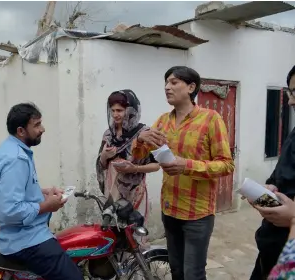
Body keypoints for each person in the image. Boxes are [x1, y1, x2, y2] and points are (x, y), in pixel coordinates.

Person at [131, 66, 235, 280]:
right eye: (166, 83)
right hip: (170, 209)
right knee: (177, 270)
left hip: (198, 214)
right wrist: (140, 140)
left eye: (174, 82)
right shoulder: (162, 121)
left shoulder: (210, 119)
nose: (167, 87)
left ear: (191, 87)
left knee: (193, 274)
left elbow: (226, 165)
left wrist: (186, 165)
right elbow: (140, 155)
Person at [0, 103, 83, 280]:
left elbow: (14, 189)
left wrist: (43, 192)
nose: (43, 129)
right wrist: (46, 206)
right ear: (21, 131)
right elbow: (10, 210)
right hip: (22, 240)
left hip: (19, 234)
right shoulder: (16, 159)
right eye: (37, 125)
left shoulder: (11, 148)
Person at [250, 65, 295, 280]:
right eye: (290, 93)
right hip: (273, 247)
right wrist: (268, 189)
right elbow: (279, 176)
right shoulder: (294, 135)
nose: (291, 101)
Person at [96, 90, 160, 226]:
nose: (115, 115)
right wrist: (104, 156)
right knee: (113, 227)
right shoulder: (108, 135)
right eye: (112, 110)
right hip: (112, 191)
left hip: (134, 191)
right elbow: (101, 165)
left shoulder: (144, 134)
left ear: (131, 110)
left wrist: (134, 168)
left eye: (119, 110)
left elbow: (156, 166)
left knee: (134, 231)